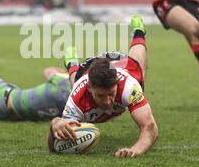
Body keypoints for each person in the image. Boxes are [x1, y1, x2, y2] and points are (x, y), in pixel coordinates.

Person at [48, 16, 158, 158]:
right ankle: (72, 63)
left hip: (121, 64)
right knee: (75, 82)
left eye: (111, 94)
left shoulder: (128, 87)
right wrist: (54, 124)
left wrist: (135, 150)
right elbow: (54, 146)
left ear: (117, 85)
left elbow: (150, 127)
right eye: (101, 95)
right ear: (89, 88)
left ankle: (138, 32)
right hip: (86, 71)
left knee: (140, 70)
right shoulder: (78, 95)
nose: (107, 102)